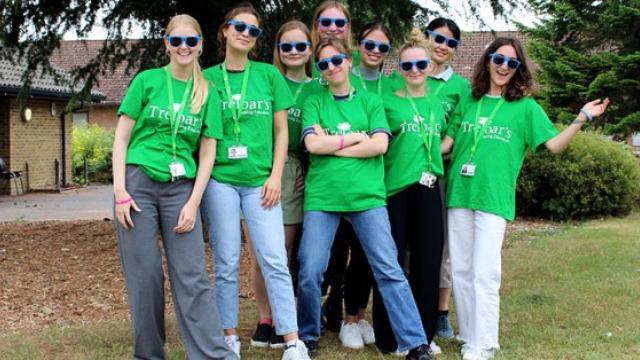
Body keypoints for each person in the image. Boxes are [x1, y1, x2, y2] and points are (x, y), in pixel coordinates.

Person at [441, 37, 609, 360]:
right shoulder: (469, 101)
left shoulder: (525, 107)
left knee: (484, 272)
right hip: (460, 193)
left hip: (493, 199)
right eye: (498, 59)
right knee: (460, 270)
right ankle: (469, 335)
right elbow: (447, 145)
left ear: (518, 70)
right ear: (487, 60)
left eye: (512, 63)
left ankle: (485, 343)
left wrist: (582, 118)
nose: (504, 67)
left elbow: (554, 145)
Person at [296, 38, 432, 360]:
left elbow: (380, 146)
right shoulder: (315, 102)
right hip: (323, 197)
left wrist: (335, 143)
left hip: (367, 197)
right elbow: (313, 146)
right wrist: (357, 137)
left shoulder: (371, 102)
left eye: (337, 59)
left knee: (388, 268)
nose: (332, 67)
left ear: (348, 59)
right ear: (320, 71)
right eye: (323, 64)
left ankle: (415, 343)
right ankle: (307, 335)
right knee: (310, 269)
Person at [112, 14, 236, 360]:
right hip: (137, 184)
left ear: (200, 46)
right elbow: (121, 137)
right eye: (177, 41)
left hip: (181, 187)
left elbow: (208, 151)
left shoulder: (207, 93)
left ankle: (213, 355)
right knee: (146, 275)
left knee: (192, 275)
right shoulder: (147, 81)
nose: (184, 47)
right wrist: (120, 192)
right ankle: (149, 355)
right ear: (166, 44)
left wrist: (194, 202)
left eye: (191, 41)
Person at [200, 4, 309, 360]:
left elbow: (281, 131)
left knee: (275, 258)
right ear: (225, 31)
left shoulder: (267, 75)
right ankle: (228, 337)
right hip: (220, 180)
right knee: (227, 259)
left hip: (261, 181)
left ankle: (292, 340)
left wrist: (276, 175)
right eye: (239, 26)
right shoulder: (207, 78)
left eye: (254, 30)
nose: (246, 33)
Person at [246, 20, 321, 351]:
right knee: (260, 253)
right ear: (277, 50)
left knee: (284, 251)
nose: (293, 52)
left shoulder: (319, 86)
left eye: (300, 46)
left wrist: (308, 166)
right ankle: (266, 318)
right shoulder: (265, 79)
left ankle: (285, 319)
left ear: (309, 50)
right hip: (259, 169)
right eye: (286, 46)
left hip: (296, 171)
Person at [371, 28, 446, 357]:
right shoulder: (386, 101)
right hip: (395, 189)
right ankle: (388, 336)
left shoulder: (440, 101)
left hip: (429, 188)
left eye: (420, 65)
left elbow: (450, 137)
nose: (414, 71)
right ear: (398, 69)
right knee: (392, 263)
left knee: (428, 262)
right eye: (407, 66)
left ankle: (424, 336)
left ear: (430, 66)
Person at [424, 17, 471, 344]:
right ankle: (412, 303)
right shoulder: (406, 73)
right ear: (426, 37)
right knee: (408, 244)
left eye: (450, 42)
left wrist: (430, 155)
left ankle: (440, 311)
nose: (442, 45)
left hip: (439, 172)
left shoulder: (461, 88)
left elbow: (454, 133)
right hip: (402, 171)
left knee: (440, 245)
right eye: (437, 38)